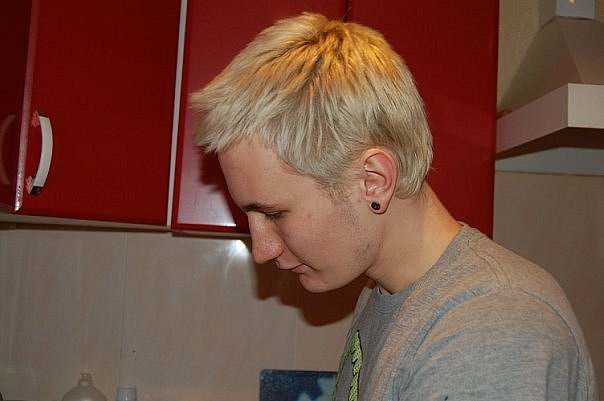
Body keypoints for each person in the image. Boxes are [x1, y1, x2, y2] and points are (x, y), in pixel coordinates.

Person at [191, 12, 598, 401]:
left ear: (374, 180)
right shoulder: (383, 295)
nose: (262, 250)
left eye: (275, 213)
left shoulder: (489, 328)